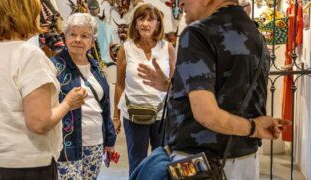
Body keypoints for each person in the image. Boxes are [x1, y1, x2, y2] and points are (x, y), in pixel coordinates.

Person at [135, 0, 291, 179]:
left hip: (200, 165)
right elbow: (229, 90)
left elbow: (206, 114)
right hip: (246, 160)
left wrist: (254, 127)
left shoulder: (198, 33)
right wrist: (168, 85)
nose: (181, 3)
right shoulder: (256, 34)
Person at [0, 0, 87, 179]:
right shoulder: (28, 55)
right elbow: (39, 122)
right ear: (26, 13)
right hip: (25, 166)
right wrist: (68, 104)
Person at [50, 13, 116, 180]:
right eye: (72, 34)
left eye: (84, 35)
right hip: (66, 145)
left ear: (92, 41)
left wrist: (110, 140)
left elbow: (105, 106)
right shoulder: (53, 66)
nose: (78, 39)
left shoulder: (97, 67)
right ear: (65, 37)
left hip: (95, 143)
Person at [113, 4, 176, 176]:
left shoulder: (167, 48)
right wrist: (116, 117)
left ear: (158, 24)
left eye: (150, 19)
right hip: (134, 114)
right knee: (137, 162)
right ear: (135, 23)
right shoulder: (125, 49)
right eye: (141, 19)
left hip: (162, 115)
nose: (145, 24)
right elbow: (119, 84)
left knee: (162, 162)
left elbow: (174, 83)